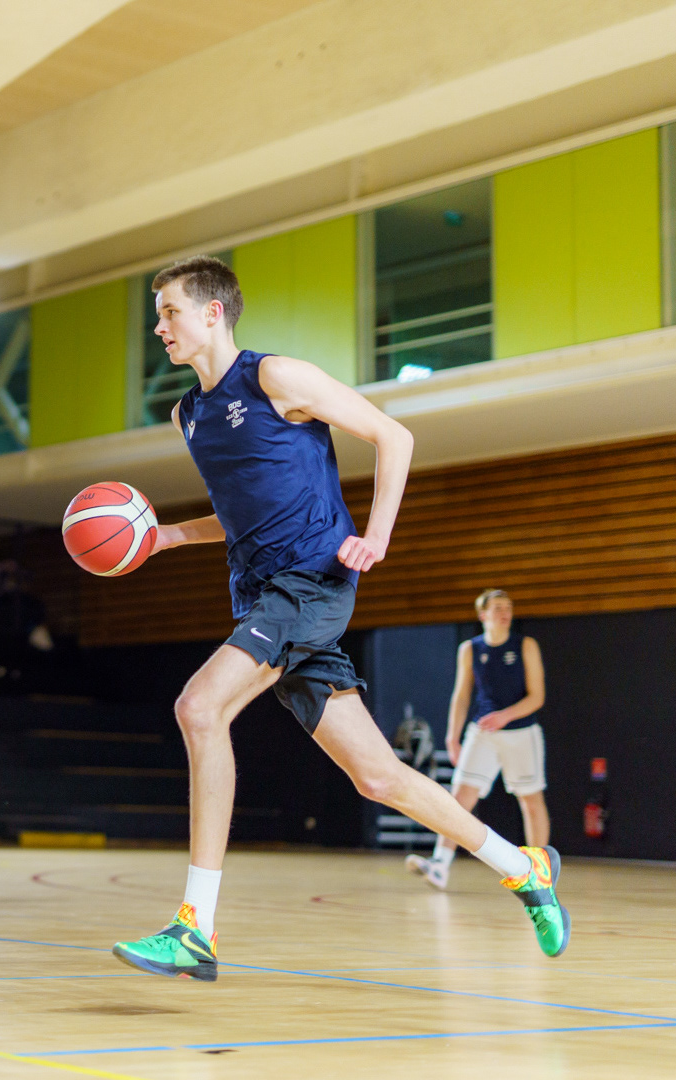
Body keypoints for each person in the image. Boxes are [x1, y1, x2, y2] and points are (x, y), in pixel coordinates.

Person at [108, 256, 570, 983]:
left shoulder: (276, 377)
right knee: (378, 778)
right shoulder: (188, 414)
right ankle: (523, 867)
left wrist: (376, 535)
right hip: (262, 595)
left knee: (199, 707)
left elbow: (394, 437)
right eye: (157, 314)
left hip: (311, 583)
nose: (159, 326)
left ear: (212, 313)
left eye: (169, 311)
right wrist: (165, 536)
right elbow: (243, 511)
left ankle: (195, 927)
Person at [408, 589, 548, 890]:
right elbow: (461, 696)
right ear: (483, 615)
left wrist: (505, 716)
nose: (505, 613)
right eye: (497, 608)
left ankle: (539, 873)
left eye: (508, 607)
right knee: (460, 798)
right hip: (482, 731)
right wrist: (453, 735)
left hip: (521, 732)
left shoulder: (525, 645)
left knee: (531, 801)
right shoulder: (470, 649)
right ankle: (440, 865)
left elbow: (537, 697)